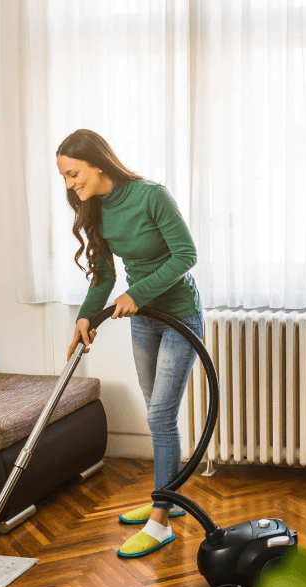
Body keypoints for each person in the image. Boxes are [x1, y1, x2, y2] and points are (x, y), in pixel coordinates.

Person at [56, 129, 204, 557]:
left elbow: (185, 255)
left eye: (73, 173)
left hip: (178, 316)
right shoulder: (94, 209)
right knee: (158, 416)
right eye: (64, 177)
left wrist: (137, 294)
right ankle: (168, 498)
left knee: (159, 415)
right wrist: (87, 314)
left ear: (98, 163)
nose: (70, 184)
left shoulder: (150, 196)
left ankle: (160, 522)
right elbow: (103, 274)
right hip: (144, 321)